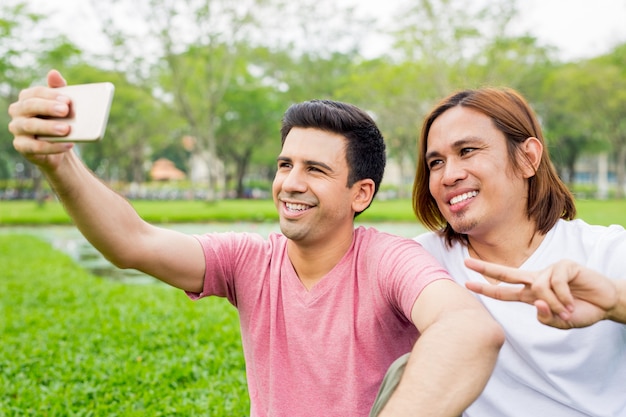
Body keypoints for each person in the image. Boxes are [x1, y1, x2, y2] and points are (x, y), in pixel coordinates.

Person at [8, 70, 504, 417]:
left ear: (361, 193)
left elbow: (467, 329)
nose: (290, 182)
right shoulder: (249, 260)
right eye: (285, 164)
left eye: (315, 169)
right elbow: (132, 242)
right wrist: (60, 163)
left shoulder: (388, 260)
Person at [409, 86, 626, 416]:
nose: (448, 175)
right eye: (436, 162)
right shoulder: (418, 261)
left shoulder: (604, 250)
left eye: (467, 150)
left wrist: (613, 300)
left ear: (528, 158)